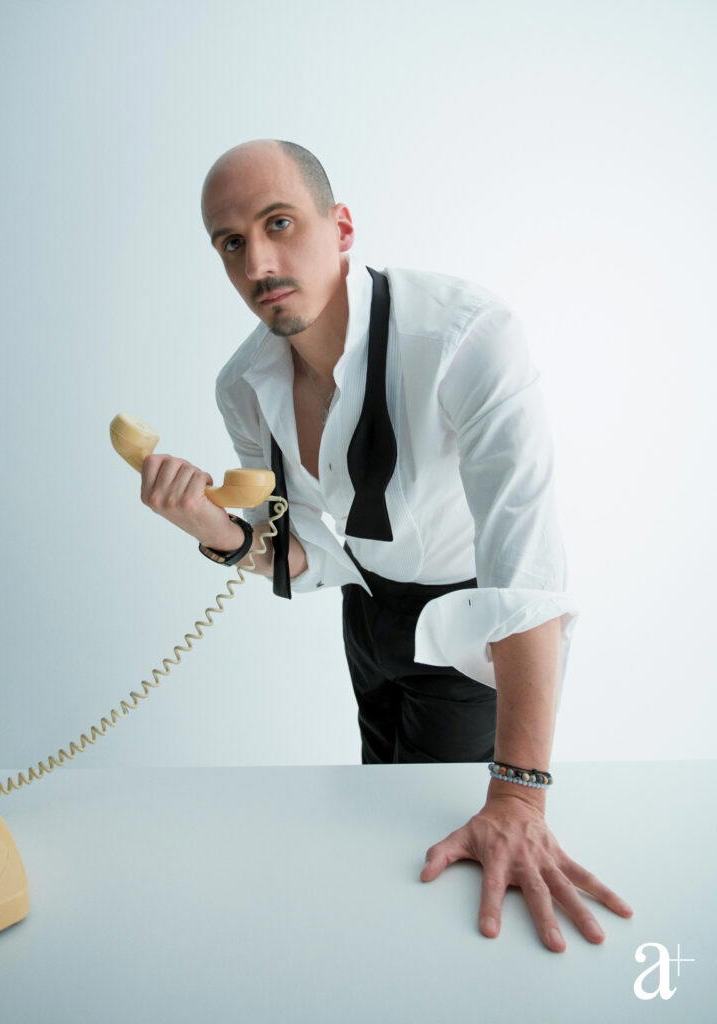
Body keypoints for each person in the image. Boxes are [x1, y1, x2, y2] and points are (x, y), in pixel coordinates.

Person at [139, 137, 634, 953]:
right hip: (367, 618)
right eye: (231, 242)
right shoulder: (243, 387)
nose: (257, 262)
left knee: (449, 874)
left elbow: (527, 575)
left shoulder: (465, 336)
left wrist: (520, 797)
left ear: (340, 227)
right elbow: (302, 554)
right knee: (384, 833)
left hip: (473, 630)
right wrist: (213, 532)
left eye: (278, 223)